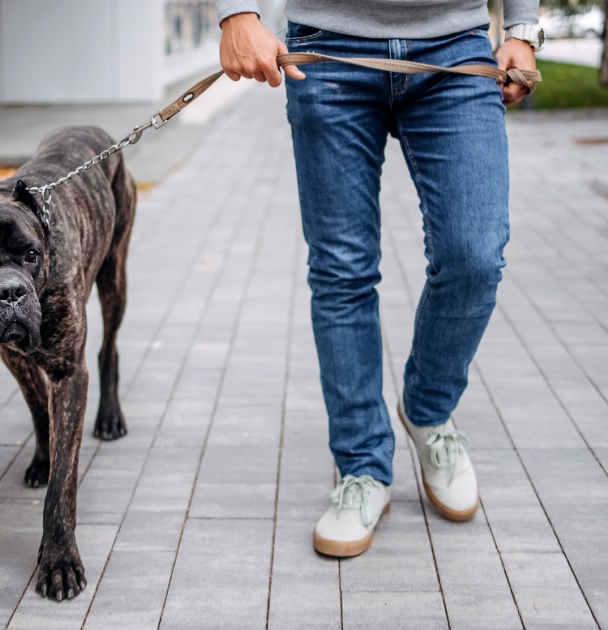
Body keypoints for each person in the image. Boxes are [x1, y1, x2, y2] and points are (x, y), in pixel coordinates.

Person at [215, 0, 540, 557]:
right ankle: (362, 467)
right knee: (342, 270)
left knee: (475, 256)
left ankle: (427, 411)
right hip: (327, 46)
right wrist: (235, 13)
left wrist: (522, 27)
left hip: (455, 43)